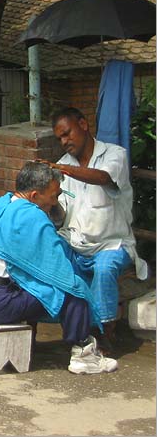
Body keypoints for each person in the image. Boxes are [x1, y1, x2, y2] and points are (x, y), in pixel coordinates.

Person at [0, 161, 118, 374]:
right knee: (73, 292)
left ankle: (23, 341)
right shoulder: (32, 216)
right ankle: (84, 354)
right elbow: (59, 271)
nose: (55, 202)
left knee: (29, 284)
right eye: (54, 196)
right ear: (35, 196)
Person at [47, 107, 148, 351]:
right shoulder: (62, 165)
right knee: (48, 254)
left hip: (112, 244)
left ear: (83, 124)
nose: (65, 141)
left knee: (104, 268)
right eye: (60, 138)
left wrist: (63, 171)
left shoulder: (115, 155)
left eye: (67, 133)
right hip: (75, 243)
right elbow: (61, 215)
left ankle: (102, 333)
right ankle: (57, 321)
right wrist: (50, 205)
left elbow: (104, 178)